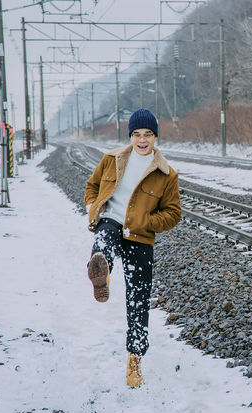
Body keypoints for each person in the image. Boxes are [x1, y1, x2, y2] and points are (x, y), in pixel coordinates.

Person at [84, 108, 181, 387]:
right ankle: (100, 271)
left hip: (140, 236)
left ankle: (135, 362)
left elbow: (173, 213)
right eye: (137, 134)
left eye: (147, 135)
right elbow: (91, 187)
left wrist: (148, 221)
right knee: (104, 240)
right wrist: (94, 208)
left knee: (138, 302)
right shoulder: (111, 159)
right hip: (112, 222)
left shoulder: (166, 174)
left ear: (155, 137)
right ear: (130, 136)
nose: (142, 140)